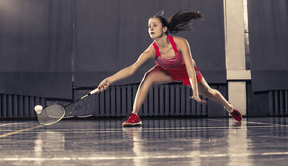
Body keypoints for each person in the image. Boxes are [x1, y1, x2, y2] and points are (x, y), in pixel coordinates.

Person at [97, 10, 242, 126]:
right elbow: (132, 69)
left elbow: (190, 69)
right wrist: (109, 80)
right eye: (149, 26)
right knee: (147, 77)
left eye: (155, 25)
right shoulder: (151, 51)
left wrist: (195, 91)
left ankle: (229, 108)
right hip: (168, 72)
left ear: (164, 28)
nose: (151, 28)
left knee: (209, 92)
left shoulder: (180, 43)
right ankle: (135, 115)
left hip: (187, 71)